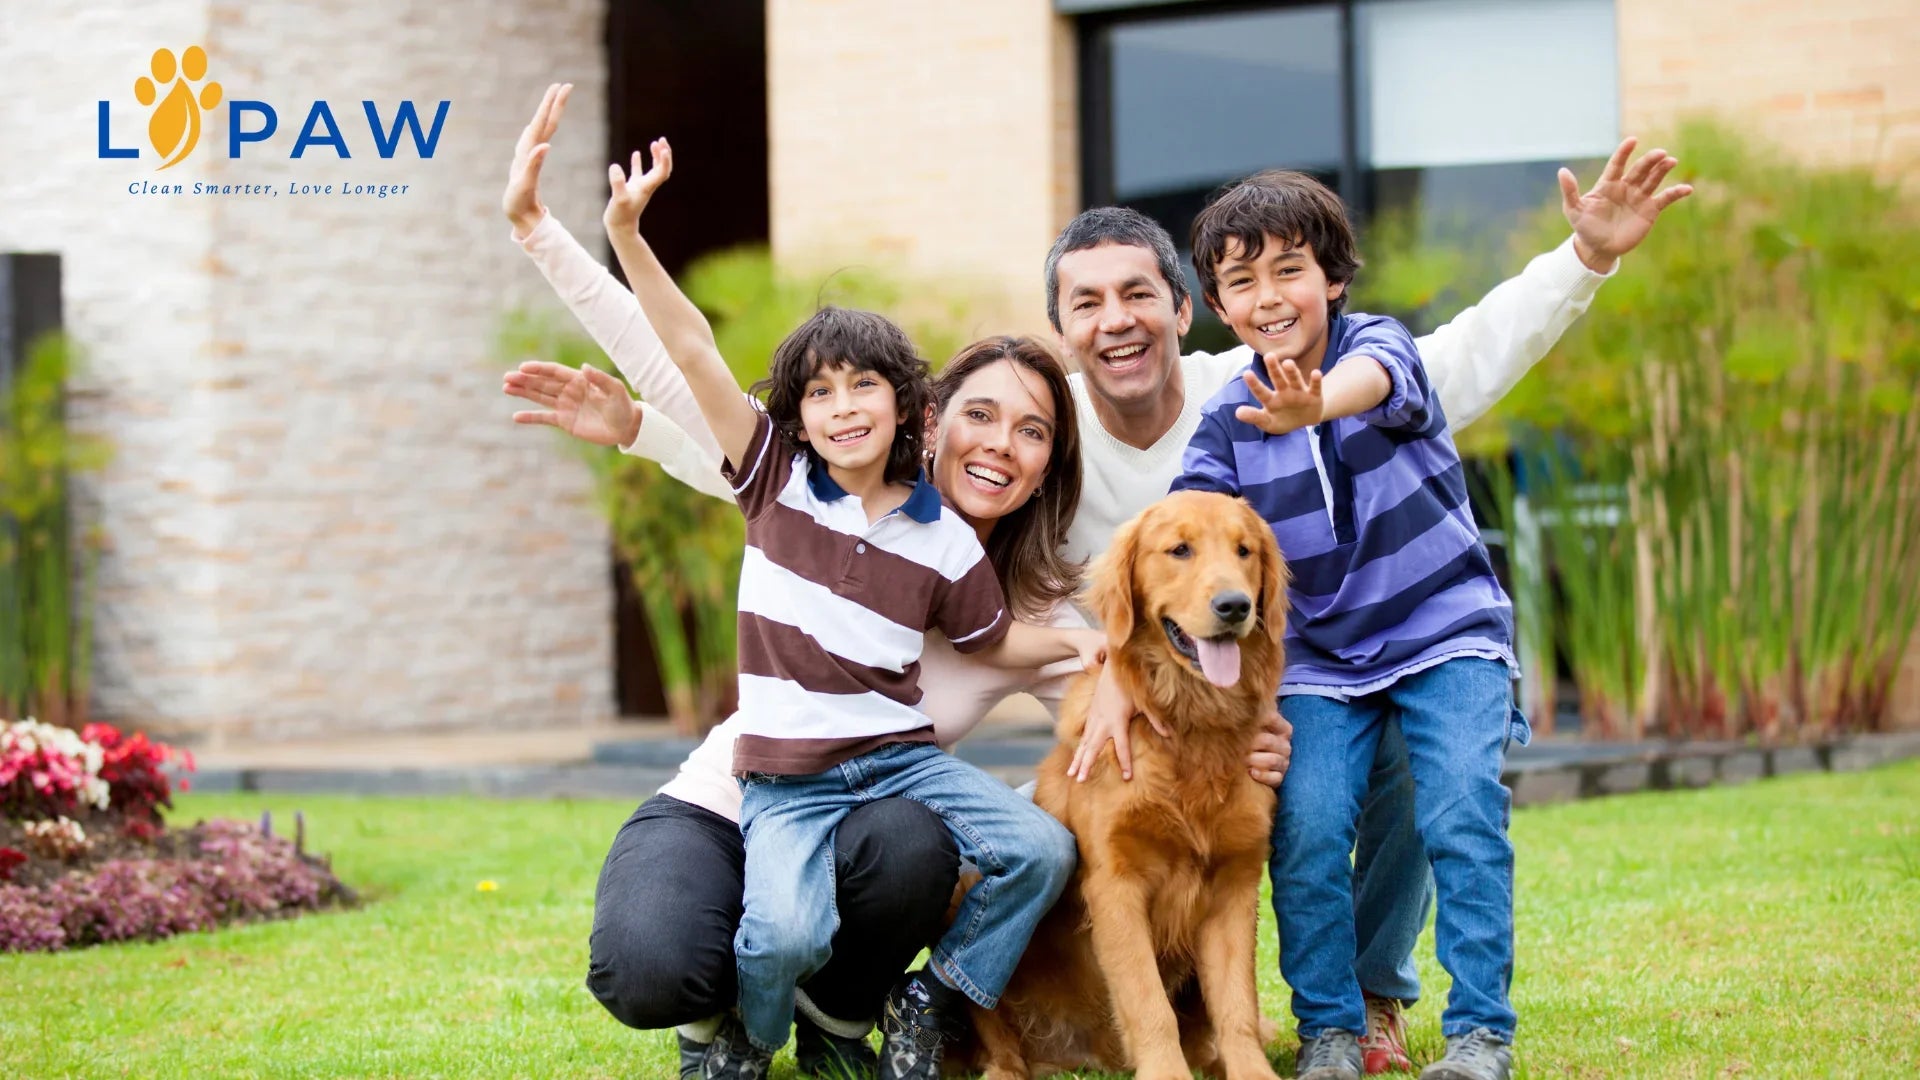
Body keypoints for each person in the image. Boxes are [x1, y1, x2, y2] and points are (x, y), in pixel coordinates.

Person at [503, 80, 1689, 1076]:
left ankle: (1361, 999)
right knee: (664, 963)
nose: (1001, 446)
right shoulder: (892, 482)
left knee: (1341, 751)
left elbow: (1448, 364)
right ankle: (767, 1006)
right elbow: (707, 405)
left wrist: (1583, 259)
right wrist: (567, 275)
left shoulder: (1232, 404)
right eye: (1084, 305)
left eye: (1137, 296)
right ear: (1046, 339)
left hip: (890, 808)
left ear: (1186, 309)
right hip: (749, 791)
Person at [597, 130, 1117, 1080]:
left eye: (864, 386)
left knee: (1041, 851)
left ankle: (936, 991)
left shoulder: (944, 537)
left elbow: (995, 641)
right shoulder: (774, 483)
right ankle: (747, 1036)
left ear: (906, 404)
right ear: (797, 419)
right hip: (783, 781)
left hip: (896, 770)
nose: (844, 407)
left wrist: (1096, 654)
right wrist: (629, 238)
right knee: (780, 936)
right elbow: (691, 351)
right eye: (822, 394)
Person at [1170, 169, 1532, 1080]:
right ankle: (1330, 1028)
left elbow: (1374, 382)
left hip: (1444, 629)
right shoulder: (1223, 421)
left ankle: (1481, 1034)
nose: (1269, 297)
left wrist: (1314, 403)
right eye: (1242, 282)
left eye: (1289, 270)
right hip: (1323, 660)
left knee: (1460, 810)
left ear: (1332, 279)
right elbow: (1186, 532)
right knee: (1309, 826)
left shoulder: (1379, 346)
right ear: (1218, 303)